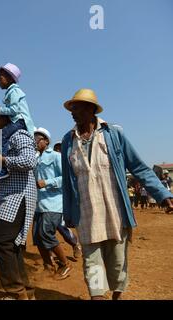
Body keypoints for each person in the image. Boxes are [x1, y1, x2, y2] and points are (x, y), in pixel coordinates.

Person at [61, 88, 173, 300]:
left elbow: (139, 167)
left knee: (117, 262)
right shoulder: (68, 141)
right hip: (86, 214)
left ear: (91, 109)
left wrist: (162, 194)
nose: (72, 112)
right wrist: (68, 214)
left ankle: (117, 295)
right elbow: (68, 182)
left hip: (115, 211)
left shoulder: (113, 134)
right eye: (71, 108)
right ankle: (97, 295)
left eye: (77, 108)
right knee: (91, 262)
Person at [0, 111, 37, 300]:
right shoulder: (1, 141)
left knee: (0, 241)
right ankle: (26, 291)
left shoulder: (19, 135)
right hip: (9, 196)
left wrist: (3, 160)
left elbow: (30, 160)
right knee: (11, 245)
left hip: (19, 195)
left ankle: (16, 293)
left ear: (5, 119)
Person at [32, 127, 72, 280]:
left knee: (45, 233)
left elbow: (65, 177)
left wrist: (46, 182)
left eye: (38, 139)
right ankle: (48, 266)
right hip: (39, 204)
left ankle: (65, 263)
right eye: (34, 138)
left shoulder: (56, 156)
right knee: (37, 236)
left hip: (53, 203)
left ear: (46, 141)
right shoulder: (35, 159)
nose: (35, 141)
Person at [0, 62, 35, 181]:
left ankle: (3, 169)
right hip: (16, 120)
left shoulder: (14, 91)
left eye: (0, 78)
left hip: (20, 121)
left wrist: (0, 109)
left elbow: (14, 110)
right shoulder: (10, 91)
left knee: (2, 136)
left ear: (9, 78)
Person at [49, 141, 82, 259]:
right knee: (48, 226)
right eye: (56, 149)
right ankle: (52, 251)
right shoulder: (52, 163)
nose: (59, 151)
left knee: (61, 225)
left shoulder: (72, 162)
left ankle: (75, 244)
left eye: (61, 149)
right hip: (51, 198)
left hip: (65, 198)